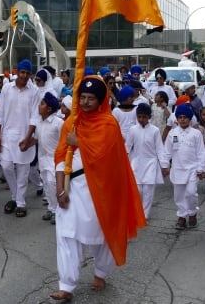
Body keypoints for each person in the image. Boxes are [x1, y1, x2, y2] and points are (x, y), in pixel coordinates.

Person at [49, 76, 146, 301]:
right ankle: (66, 284)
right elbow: (60, 155)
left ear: (100, 100)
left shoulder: (109, 124)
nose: (84, 102)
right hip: (70, 185)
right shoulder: (71, 122)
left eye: (90, 98)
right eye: (81, 97)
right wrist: (60, 189)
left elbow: (105, 157)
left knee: (101, 234)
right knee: (65, 235)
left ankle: (101, 272)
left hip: (99, 190)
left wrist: (79, 142)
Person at [0, 59, 41, 218]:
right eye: (22, 72)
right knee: (6, 166)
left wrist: (28, 139)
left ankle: (20, 202)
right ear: (17, 72)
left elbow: (35, 117)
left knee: (23, 171)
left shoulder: (34, 91)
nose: (24, 75)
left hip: (25, 136)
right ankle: (15, 196)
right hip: (7, 136)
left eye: (28, 73)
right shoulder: (7, 88)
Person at [162, 103, 205, 230]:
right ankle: (182, 215)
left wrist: (201, 169)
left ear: (189, 118)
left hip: (192, 169)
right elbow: (167, 151)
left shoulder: (196, 133)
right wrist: (165, 165)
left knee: (191, 193)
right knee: (179, 195)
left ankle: (192, 213)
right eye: (180, 117)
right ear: (177, 119)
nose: (182, 119)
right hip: (177, 169)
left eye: (185, 117)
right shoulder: (172, 133)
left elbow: (201, 152)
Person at [125, 103, 165, 219]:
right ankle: (137, 211)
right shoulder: (132, 130)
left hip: (151, 164)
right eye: (139, 117)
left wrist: (164, 165)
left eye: (144, 117)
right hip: (136, 163)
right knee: (137, 190)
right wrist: (124, 162)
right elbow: (127, 146)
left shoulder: (155, 131)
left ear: (149, 117)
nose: (141, 119)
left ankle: (144, 214)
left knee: (148, 191)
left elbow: (159, 148)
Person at [33, 92, 64, 224]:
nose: (39, 106)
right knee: (46, 183)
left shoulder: (59, 123)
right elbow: (37, 140)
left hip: (55, 160)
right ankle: (51, 209)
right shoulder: (39, 123)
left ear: (49, 109)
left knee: (53, 184)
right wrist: (26, 143)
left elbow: (64, 141)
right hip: (43, 159)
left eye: (42, 104)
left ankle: (59, 212)